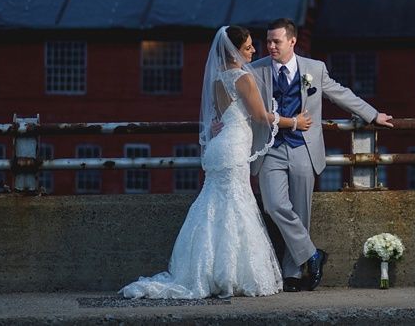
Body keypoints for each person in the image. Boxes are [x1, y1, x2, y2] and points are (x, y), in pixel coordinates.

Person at [120, 25, 304, 299]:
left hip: (220, 147)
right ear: (234, 51)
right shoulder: (243, 77)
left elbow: (219, 117)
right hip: (233, 150)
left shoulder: (218, 77)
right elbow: (260, 116)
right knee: (236, 207)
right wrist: (295, 122)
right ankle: (230, 275)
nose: (254, 50)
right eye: (248, 47)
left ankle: (204, 270)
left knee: (213, 206)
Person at [247, 18, 394, 292]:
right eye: (267, 41)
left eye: (275, 41)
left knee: (301, 212)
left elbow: (340, 93)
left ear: (292, 41)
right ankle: (312, 255)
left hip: (303, 147)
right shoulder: (255, 70)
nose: (270, 46)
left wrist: (372, 114)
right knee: (274, 206)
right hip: (270, 149)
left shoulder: (314, 69)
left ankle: (292, 273)